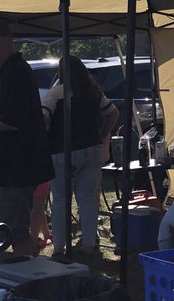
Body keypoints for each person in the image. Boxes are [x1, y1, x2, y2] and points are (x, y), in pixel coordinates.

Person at [0, 20, 54, 256]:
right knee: (8, 230)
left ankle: (28, 279)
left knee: (13, 232)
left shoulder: (16, 72)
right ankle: (24, 274)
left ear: (6, 41)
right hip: (9, 170)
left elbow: (10, 122)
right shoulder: (7, 72)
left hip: (17, 170)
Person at [41, 55, 119, 256]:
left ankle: (59, 247)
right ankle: (89, 245)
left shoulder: (56, 92)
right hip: (92, 149)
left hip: (62, 151)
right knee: (87, 200)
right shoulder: (93, 93)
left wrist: (46, 137)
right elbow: (113, 113)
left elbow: (43, 116)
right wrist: (101, 134)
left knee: (60, 200)